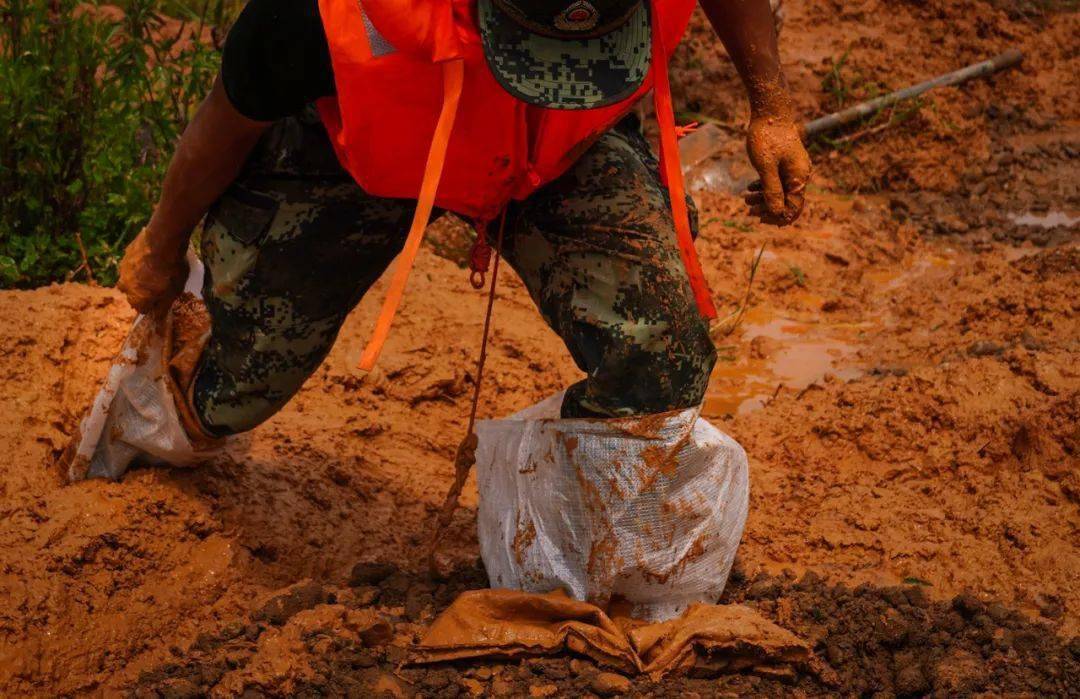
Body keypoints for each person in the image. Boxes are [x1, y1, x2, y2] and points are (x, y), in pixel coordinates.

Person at [75, 0, 810, 478]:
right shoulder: (313, 18)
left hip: (558, 151)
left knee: (660, 354)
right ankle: (139, 420)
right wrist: (161, 244)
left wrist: (770, 103)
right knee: (232, 384)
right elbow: (229, 119)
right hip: (364, 148)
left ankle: (574, 545)